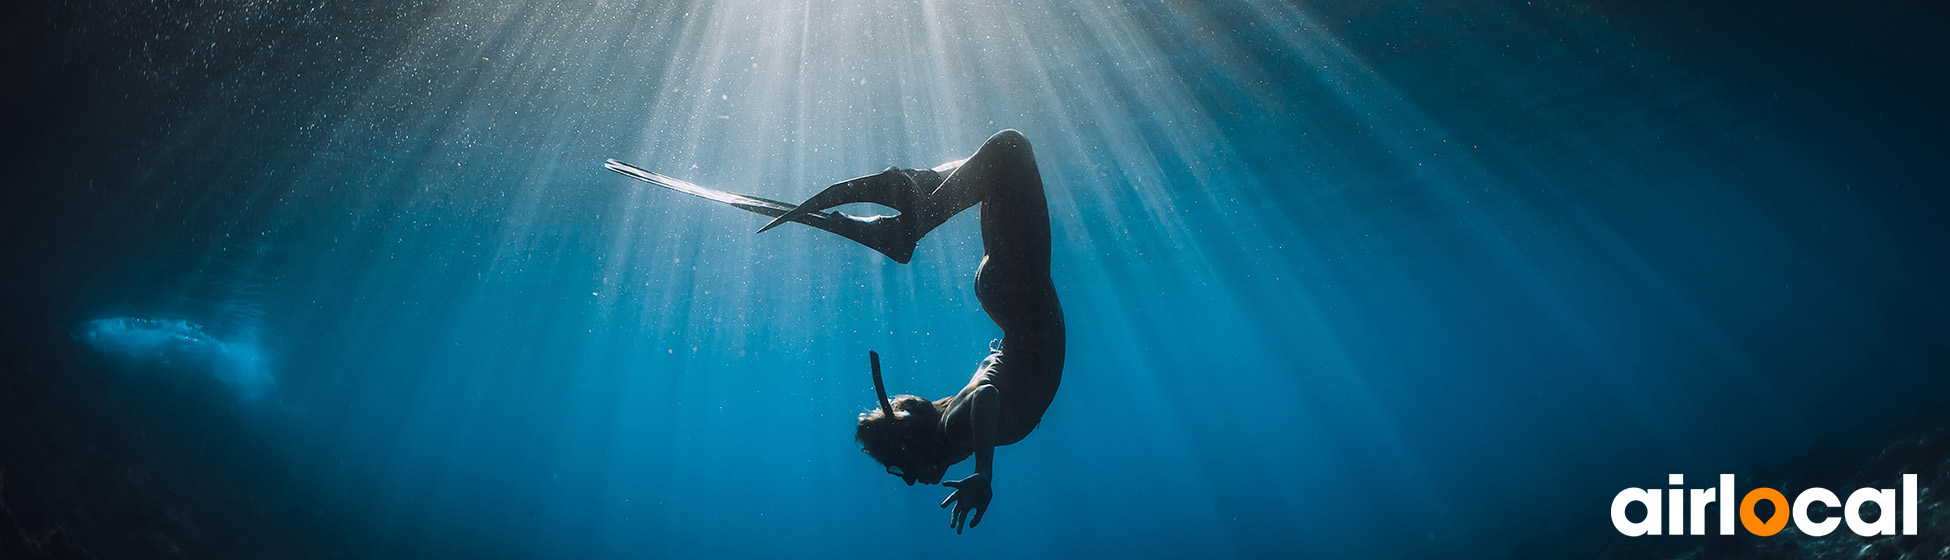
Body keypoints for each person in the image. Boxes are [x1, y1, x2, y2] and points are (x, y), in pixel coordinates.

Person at [605, 129, 1065, 533]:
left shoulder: (955, 427)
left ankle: (911, 220)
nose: (917, 481)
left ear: (919, 450)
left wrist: (984, 472)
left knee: (1009, 154)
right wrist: (981, 467)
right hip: (1013, 299)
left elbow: (986, 397)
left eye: (903, 471)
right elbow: (988, 395)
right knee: (1004, 161)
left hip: (1018, 298)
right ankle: (914, 197)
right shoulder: (956, 426)